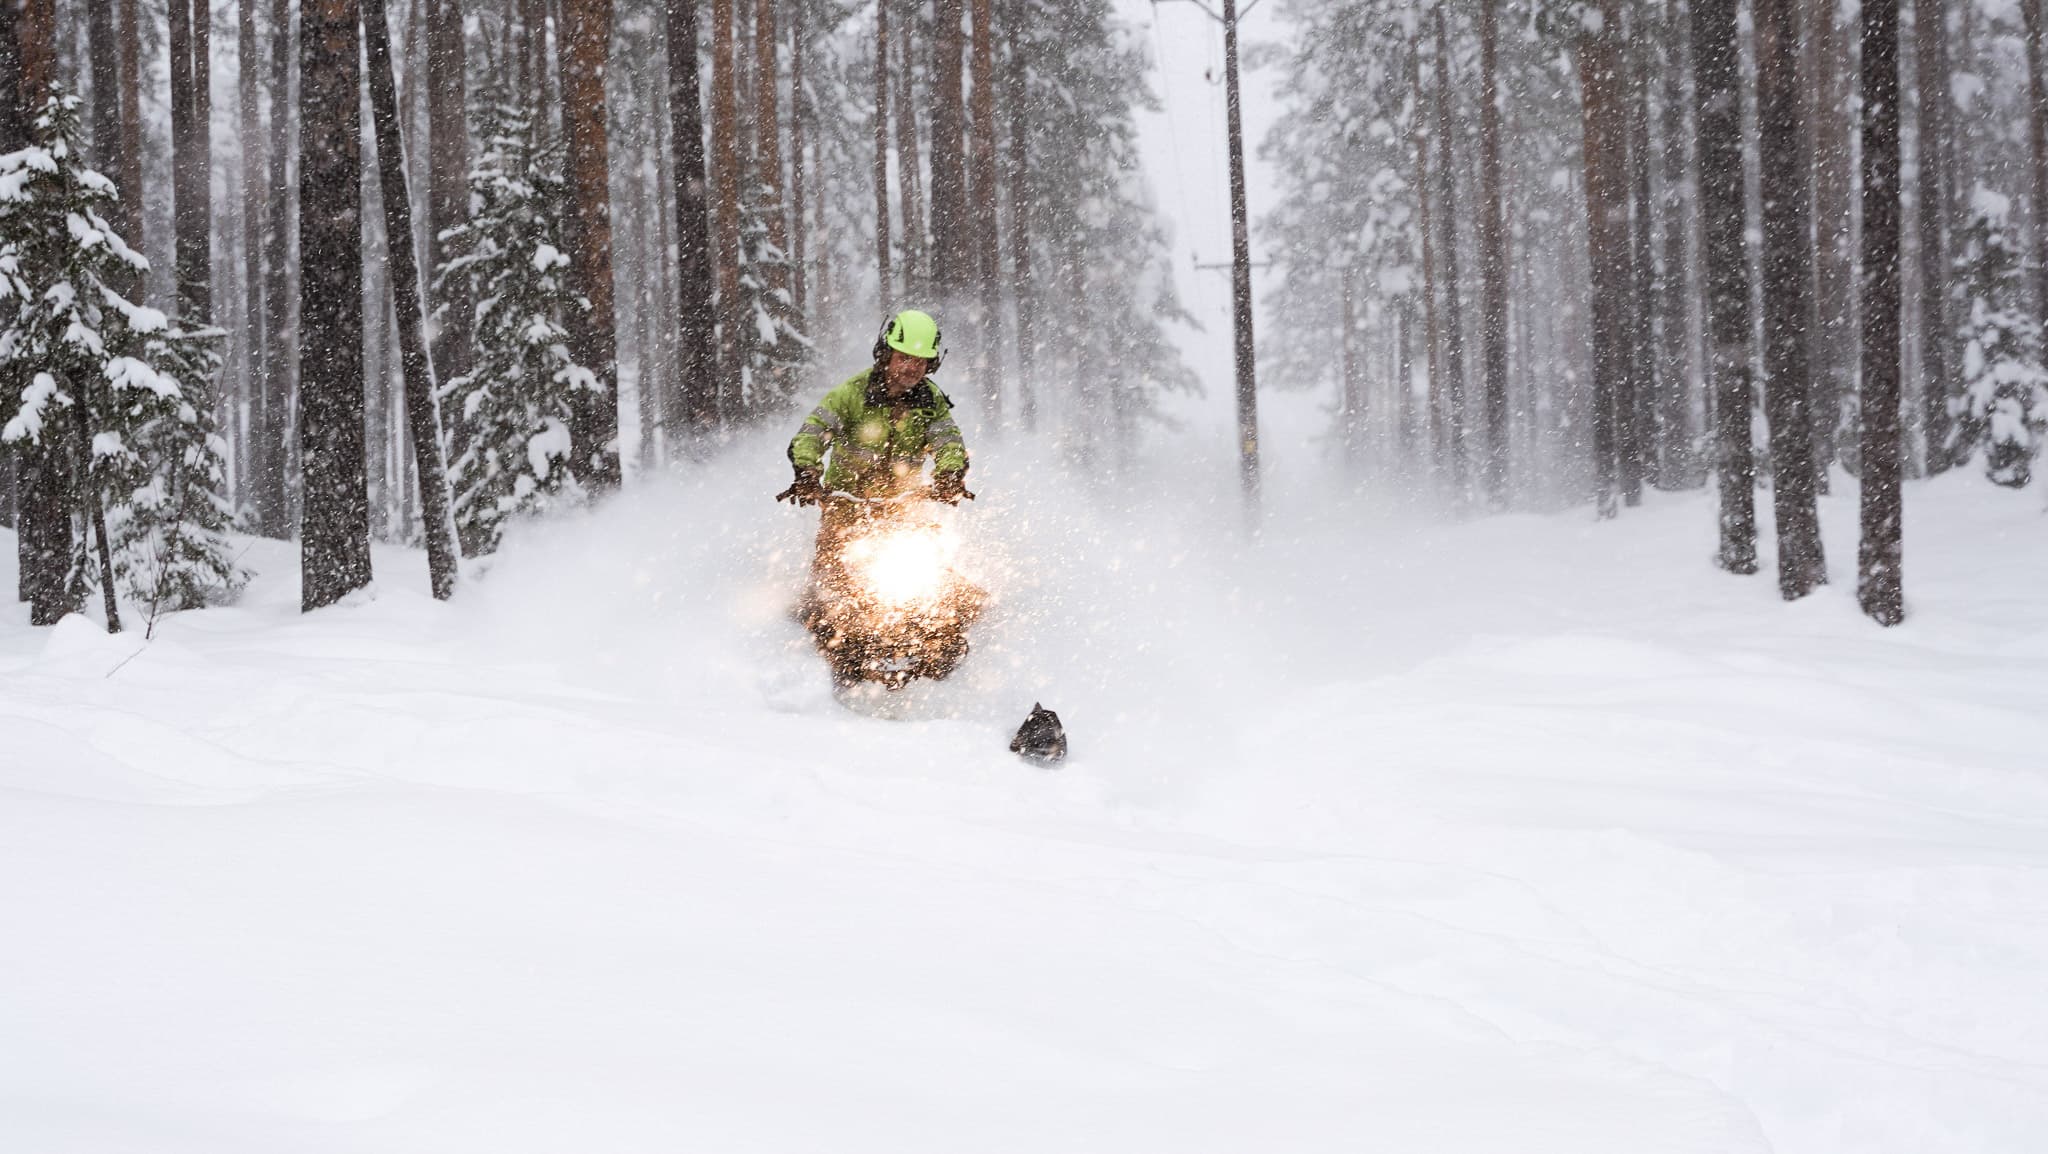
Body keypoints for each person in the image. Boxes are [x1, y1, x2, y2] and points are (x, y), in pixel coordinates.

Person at [780, 309, 972, 597]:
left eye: (920, 361)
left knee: (939, 585)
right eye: (904, 357)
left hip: (905, 508)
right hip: (845, 508)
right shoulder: (851, 394)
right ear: (886, 354)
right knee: (830, 586)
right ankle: (820, 610)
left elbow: (948, 441)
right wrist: (807, 472)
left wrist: (950, 474)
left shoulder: (932, 402)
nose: (912, 367)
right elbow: (812, 433)